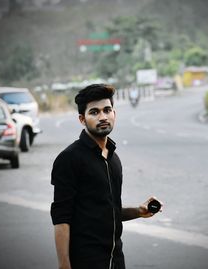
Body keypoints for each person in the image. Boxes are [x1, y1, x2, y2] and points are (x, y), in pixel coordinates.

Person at [50, 84, 162, 269]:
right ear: (82, 119)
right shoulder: (69, 159)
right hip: (86, 260)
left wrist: (138, 211)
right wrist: (64, 265)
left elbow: (108, 210)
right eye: (94, 112)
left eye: (107, 110)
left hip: (116, 258)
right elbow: (62, 218)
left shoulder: (113, 157)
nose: (102, 117)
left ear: (114, 114)